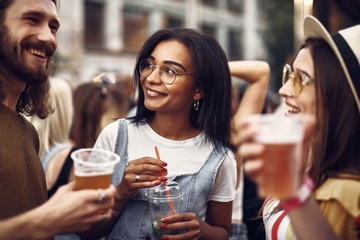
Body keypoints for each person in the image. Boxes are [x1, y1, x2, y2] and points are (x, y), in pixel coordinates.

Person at [80, 27, 239, 240]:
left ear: (198, 89)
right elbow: (85, 232)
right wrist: (120, 193)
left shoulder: (219, 158)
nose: (151, 78)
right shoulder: (115, 135)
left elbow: (222, 232)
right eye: (149, 65)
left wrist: (202, 231)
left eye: (170, 71)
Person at [236, 15, 360, 240]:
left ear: (338, 97)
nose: (283, 90)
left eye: (301, 79)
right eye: (289, 74)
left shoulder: (350, 194)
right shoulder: (300, 159)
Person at [0, 0, 115, 238]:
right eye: (32, 19)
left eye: (53, 27)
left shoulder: (26, 131)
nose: (49, 38)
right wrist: (46, 221)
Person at [228, 61, 270, 240]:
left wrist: (207, 63)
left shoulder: (230, 133)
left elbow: (262, 72)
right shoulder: (231, 134)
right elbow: (261, 72)